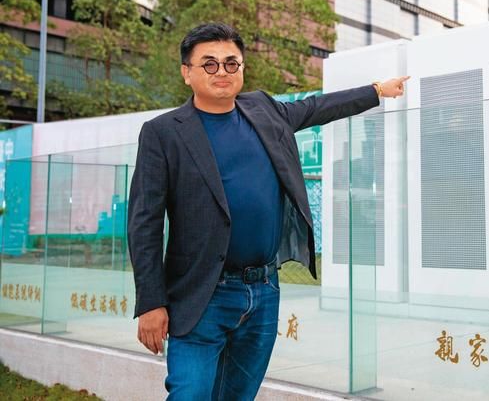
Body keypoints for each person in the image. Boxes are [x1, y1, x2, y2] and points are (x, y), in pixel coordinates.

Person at [127, 22, 408, 400]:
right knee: (190, 395)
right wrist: (151, 302)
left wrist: (376, 91)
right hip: (200, 294)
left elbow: (317, 108)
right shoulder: (163, 132)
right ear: (186, 73)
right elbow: (143, 223)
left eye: (231, 63)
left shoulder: (263, 110)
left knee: (238, 396)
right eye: (209, 64)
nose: (222, 71)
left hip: (263, 290)